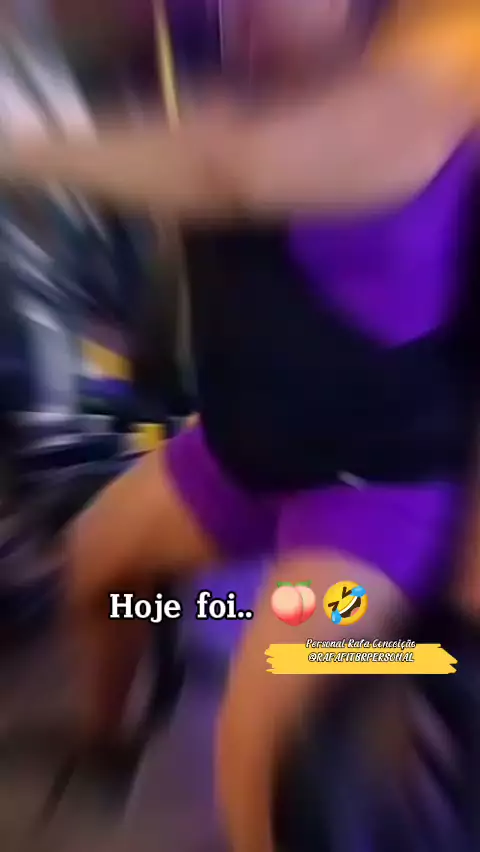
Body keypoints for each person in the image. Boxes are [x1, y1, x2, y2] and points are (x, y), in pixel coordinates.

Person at [1, 1, 480, 851]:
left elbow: (230, 168)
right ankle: (111, 743)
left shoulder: (423, 82)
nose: (244, 11)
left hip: (372, 497)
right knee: (103, 573)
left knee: (258, 745)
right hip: (237, 455)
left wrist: (24, 143)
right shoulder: (224, 46)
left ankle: (390, 657)